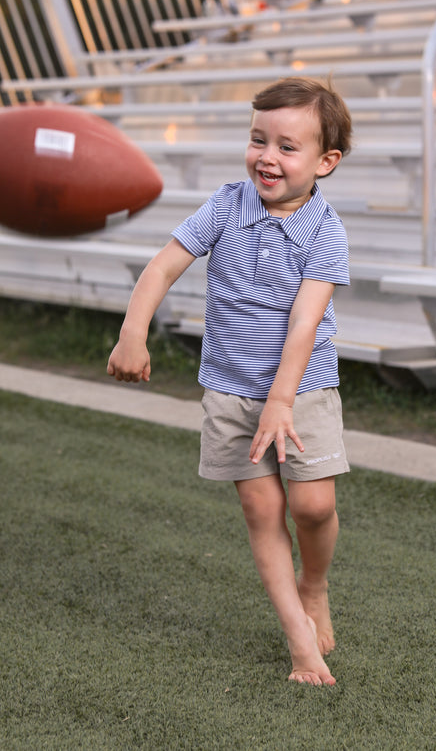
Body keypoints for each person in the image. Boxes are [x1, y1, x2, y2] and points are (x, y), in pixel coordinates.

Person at [107, 76, 352, 686]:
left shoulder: (326, 232)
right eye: (257, 140)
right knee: (260, 507)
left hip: (304, 390)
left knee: (313, 506)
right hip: (230, 390)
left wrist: (281, 403)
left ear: (326, 162)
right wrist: (132, 333)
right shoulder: (223, 206)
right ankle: (299, 635)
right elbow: (163, 266)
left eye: (287, 147)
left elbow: (304, 325)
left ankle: (313, 586)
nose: (267, 157)